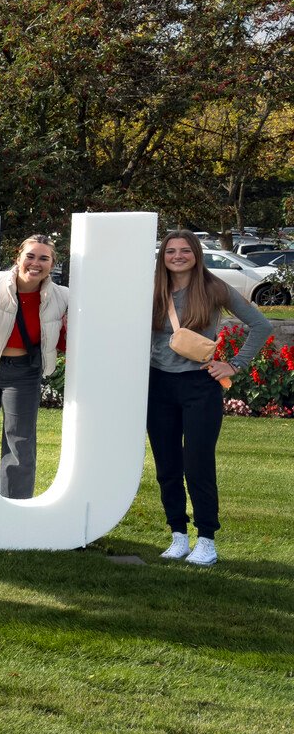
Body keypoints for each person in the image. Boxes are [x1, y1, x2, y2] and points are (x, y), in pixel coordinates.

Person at [148, 230, 271, 567]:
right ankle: (177, 535)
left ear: (196, 254)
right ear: (163, 256)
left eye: (184, 250)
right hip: (158, 386)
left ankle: (206, 540)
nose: (177, 256)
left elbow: (260, 326)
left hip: (200, 386)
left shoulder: (213, 287)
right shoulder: (152, 289)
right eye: (170, 251)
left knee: (198, 463)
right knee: (167, 465)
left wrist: (233, 364)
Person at [0, 235, 68, 499]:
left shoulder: (62, 297)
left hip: (24, 373)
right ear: (18, 257)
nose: (36, 263)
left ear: (52, 264)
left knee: (20, 443)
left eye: (44, 258)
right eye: (30, 256)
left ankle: (14, 506)